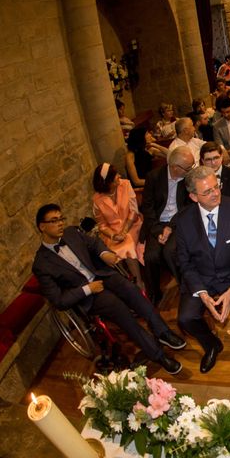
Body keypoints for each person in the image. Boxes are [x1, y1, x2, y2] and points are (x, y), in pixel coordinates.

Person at [32, 203, 185, 374]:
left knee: (133, 290)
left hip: (101, 274)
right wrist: (88, 289)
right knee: (119, 309)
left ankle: (163, 331)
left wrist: (104, 253)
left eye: (61, 218)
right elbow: (59, 301)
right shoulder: (41, 264)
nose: (60, 223)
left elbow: (94, 243)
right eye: (54, 221)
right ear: (42, 227)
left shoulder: (71, 233)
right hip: (87, 295)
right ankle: (158, 355)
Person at [175, 166, 230, 388]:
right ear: (194, 197)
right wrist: (202, 293)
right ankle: (212, 344)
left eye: (217, 187)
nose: (215, 194)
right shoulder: (183, 221)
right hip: (202, 279)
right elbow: (184, 263)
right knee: (185, 317)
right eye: (207, 192)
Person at [140, 146, 194, 304]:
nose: (191, 170)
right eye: (188, 167)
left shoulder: (188, 179)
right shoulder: (154, 177)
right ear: (175, 167)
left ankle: (186, 287)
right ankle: (154, 294)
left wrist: (170, 227)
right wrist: (159, 230)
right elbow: (147, 208)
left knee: (170, 252)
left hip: (178, 222)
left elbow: (187, 207)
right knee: (150, 256)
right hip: (156, 224)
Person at [92, 163, 145, 291]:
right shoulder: (97, 199)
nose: (119, 176)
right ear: (107, 182)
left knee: (127, 246)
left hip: (132, 225)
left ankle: (139, 283)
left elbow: (134, 211)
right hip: (112, 233)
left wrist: (124, 231)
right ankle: (127, 284)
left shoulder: (125, 184)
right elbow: (102, 225)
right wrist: (114, 235)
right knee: (112, 252)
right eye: (115, 175)